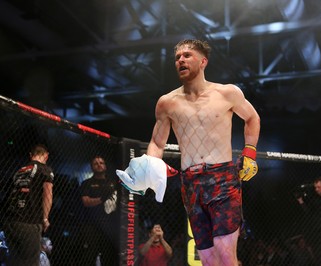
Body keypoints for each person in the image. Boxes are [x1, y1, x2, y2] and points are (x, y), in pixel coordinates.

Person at [145, 39, 260, 266]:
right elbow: (157, 144)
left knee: (226, 255)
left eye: (187, 55)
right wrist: (151, 167)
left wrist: (250, 153)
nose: (180, 60)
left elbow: (252, 117)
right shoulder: (167, 103)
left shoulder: (226, 93)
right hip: (190, 184)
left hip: (223, 180)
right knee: (207, 260)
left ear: (203, 61)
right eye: (177, 57)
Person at [4, 144, 54, 266]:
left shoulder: (19, 170)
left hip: (11, 222)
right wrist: (45, 218)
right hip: (30, 222)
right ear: (46, 156)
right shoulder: (45, 169)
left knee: (15, 261)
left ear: (30, 155)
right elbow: (48, 194)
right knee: (31, 262)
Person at [80, 156, 119, 266]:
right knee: (90, 255)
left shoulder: (113, 183)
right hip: (92, 224)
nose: (99, 165)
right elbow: (86, 201)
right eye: (95, 163)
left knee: (108, 256)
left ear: (105, 166)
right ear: (92, 167)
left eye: (101, 162)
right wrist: (102, 199)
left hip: (110, 225)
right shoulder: (87, 183)